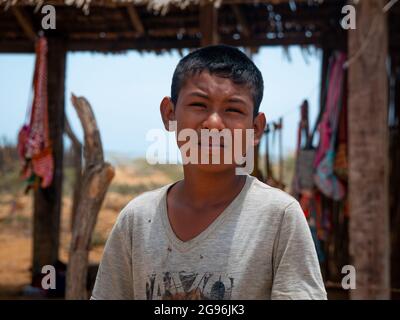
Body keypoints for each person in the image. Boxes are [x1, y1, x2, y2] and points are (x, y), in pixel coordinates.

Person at [91, 45, 327, 300]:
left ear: (256, 128)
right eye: (199, 105)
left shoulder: (279, 218)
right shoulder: (137, 220)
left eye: (233, 110)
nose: (214, 124)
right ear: (170, 114)